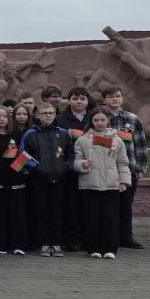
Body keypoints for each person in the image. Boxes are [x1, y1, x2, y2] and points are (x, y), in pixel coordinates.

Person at [72, 109, 131, 259]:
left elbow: (123, 162)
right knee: (91, 217)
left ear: (108, 121)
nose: (99, 123)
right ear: (91, 121)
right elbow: (76, 161)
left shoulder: (117, 141)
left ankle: (110, 248)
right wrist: (82, 164)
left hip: (111, 184)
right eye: (96, 120)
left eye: (102, 120)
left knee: (110, 218)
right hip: (89, 184)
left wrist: (124, 181)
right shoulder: (82, 140)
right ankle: (93, 248)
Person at [20, 102, 70, 257]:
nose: (48, 115)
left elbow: (71, 155)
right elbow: (22, 155)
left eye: (50, 113)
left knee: (57, 212)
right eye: (44, 113)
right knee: (41, 211)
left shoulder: (63, 133)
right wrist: (38, 168)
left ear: (55, 114)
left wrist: (64, 167)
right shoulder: (30, 133)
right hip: (38, 179)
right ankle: (44, 243)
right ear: (38, 115)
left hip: (59, 178)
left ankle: (56, 243)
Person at [101, 87, 147, 250]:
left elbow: (140, 144)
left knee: (126, 204)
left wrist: (141, 167)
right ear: (104, 100)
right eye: (110, 96)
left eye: (118, 96)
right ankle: (110, 237)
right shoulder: (101, 118)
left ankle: (126, 236)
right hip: (106, 169)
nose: (115, 99)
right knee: (109, 205)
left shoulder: (132, 119)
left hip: (128, 168)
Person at [0, 105, 28, 255]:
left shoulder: (16, 135)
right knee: (1, 215)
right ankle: (3, 244)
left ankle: (19, 244)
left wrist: (16, 169)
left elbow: (24, 155)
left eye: (5, 116)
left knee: (17, 215)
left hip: (16, 181)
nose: (2, 119)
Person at [55, 86, 92, 252]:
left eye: (82, 99)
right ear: (69, 100)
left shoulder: (94, 118)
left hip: (90, 168)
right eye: (75, 98)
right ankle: (71, 239)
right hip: (68, 169)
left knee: (87, 205)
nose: (79, 102)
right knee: (70, 205)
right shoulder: (61, 119)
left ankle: (87, 239)